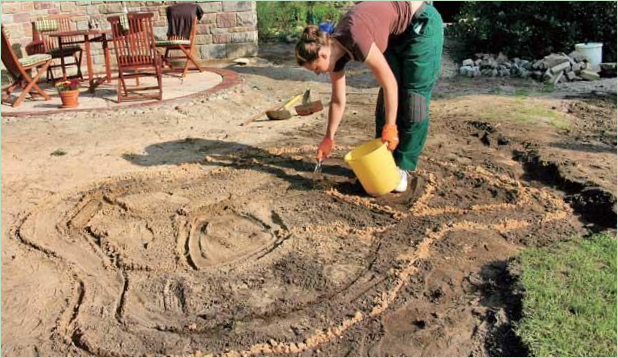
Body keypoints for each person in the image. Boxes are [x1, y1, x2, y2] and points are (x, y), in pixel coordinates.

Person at [295, 1, 444, 193]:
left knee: (413, 100)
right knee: (385, 104)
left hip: (420, 24)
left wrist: (391, 128)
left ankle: (402, 167)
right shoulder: (335, 53)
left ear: (323, 54)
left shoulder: (356, 38)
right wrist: (328, 137)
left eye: (315, 69)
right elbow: (338, 101)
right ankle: (384, 161)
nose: (317, 74)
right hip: (395, 34)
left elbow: (389, 82)